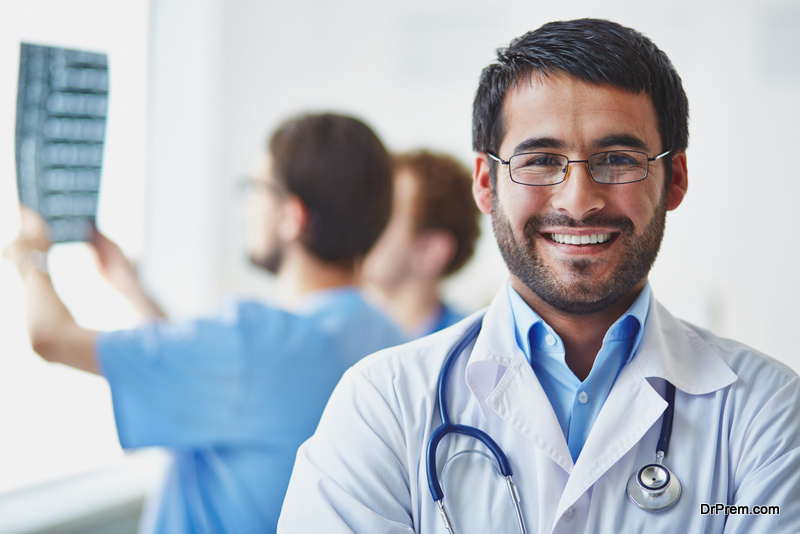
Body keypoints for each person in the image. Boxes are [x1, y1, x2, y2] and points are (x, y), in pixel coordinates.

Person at [277, 20, 800, 533]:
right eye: (541, 160)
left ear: (675, 179)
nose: (579, 202)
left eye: (618, 159)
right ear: (487, 184)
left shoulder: (766, 412)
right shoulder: (382, 404)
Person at [4, 113, 407, 533]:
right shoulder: (390, 341)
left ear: (292, 216)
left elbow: (51, 337)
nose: (249, 206)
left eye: (257, 189)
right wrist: (131, 288)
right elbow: (212, 383)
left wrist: (31, 257)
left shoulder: (253, 343)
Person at [361, 150, 480, 337]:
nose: (363, 222)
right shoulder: (334, 338)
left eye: (383, 212)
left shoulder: (472, 352)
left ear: (429, 251)